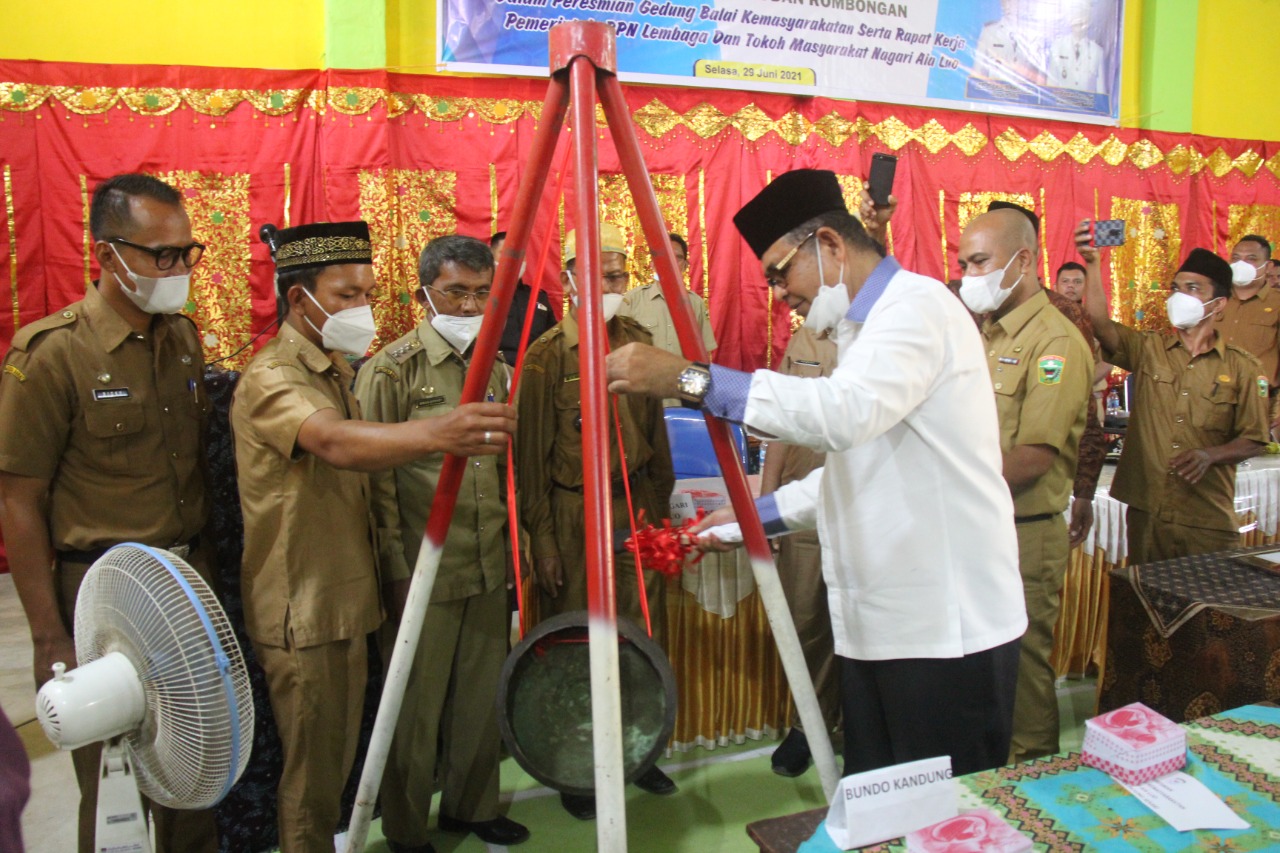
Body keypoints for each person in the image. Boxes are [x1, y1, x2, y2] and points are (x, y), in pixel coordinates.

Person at [606, 169, 1027, 777]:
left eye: (781, 271)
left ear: (829, 246)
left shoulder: (919, 308)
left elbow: (842, 416)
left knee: (945, 825)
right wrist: (746, 518)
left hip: (945, 633)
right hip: (880, 629)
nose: (778, 292)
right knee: (886, 816)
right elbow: (858, 473)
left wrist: (690, 379)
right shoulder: (860, 332)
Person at [232, 221, 514, 853]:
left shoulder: (332, 368)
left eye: (365, 293)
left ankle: (469, 807)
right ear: (299, 297)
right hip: (315, 596)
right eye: (344, 296)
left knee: (443, 712)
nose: (360, 309)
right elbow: (339, 446)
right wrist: (445, 434)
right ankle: (405, 830)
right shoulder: (279, 374)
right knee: (328, 764)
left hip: (359, 587)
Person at [0, 173, 218, 853]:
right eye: (161, 255)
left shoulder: (180, 339)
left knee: (193, 776)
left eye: (187, 251)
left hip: (182, 586)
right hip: (99, 598)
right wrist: (47, 637)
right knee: (115, 792)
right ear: (106, 254)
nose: (177, 269)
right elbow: (18, 499)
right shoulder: (52, 355)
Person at [354, 235, 529, 853]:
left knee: (481, 699)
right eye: (456, 292)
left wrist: (514, 549)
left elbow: (504, 469)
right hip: (421, 568)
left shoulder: (498, 369)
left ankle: (471, 807)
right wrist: (394, 570)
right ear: (425, 293)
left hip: (483, 561)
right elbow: (371, 480)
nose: (468, 305)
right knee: (414, 708)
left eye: (482, 294)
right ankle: (405, 829)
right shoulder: (391, 370)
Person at [516, 222, 678, 819]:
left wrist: (660, 511)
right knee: (577, 639)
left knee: (640, 635)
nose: (616, 284)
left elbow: (656, 436)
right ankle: (577, 765)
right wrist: (545, 539)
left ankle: (641, 748)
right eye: (604, 275)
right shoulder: (545, 358)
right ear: (570, 279)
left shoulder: (637, 340)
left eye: (620, 274)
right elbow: (530, 462)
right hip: (573, 511)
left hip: (635, 506)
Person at [958, 208, 1092, 763]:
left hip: (1025, 531)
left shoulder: (1055, 342)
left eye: (980, 261)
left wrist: (946, 484)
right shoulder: (985, 334)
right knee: (983, 667)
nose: (969, 274)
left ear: (1024, 261)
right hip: (979, 525)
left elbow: (1034, 457)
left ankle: (1035, 779)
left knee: (1022, 667)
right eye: (964, 262)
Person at [1075, 225, 1268, 565]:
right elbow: (1099, 323)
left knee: (1209, 613)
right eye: (1176, 288)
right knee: (1147, 606)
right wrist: (1092, 264)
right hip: (1148, 512)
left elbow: (1253, 439)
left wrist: (1211, 455)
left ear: (1219, 304)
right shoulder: (1149, 348)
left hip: (1207, 515)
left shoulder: (1243, 368)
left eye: (1193, 288)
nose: (1180, 296)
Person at [759, 323, 840, 778]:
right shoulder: (804, 338)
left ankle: (850, 726)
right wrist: (768, 508)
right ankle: (807, 726)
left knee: (863, 622)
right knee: (805, 621)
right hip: (802, 508)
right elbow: (780, 425)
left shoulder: (885, 331)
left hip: (864, 506)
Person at [617, 232, 717, 397]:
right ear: (653, 263)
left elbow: (704, 358)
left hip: (684, 396)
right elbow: (620, 353)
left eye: (677, 257)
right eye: (665, 256)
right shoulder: (631, 301)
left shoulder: (695, 304)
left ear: (685, 265)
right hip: (645, 397)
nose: (670, 262)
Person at [1218, 235, 1280, 432]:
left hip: (1261, 405)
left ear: (1268, 266)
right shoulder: (1215, 302)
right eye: (1236, 258)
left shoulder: (1277, 303)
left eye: (1251, 259)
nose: (1241, 264)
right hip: (1211, 402)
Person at [490, 230, 556, 367]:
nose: (515, 260)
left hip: (535, 372)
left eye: (520, 255)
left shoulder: (537, 297)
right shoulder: (481, 297)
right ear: (491, 258)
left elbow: (553, 339)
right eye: (506, 253)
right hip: (495, 373)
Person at [1047, 14, 1106, 93]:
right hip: (1062, 102)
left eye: (1082, 15)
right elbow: (1051, 82)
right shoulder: (1057, 47)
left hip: (1087, 103)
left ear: (1088, 22)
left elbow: (1101, 90)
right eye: (1075, 15)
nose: (1078, 21)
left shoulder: (1097, 51)